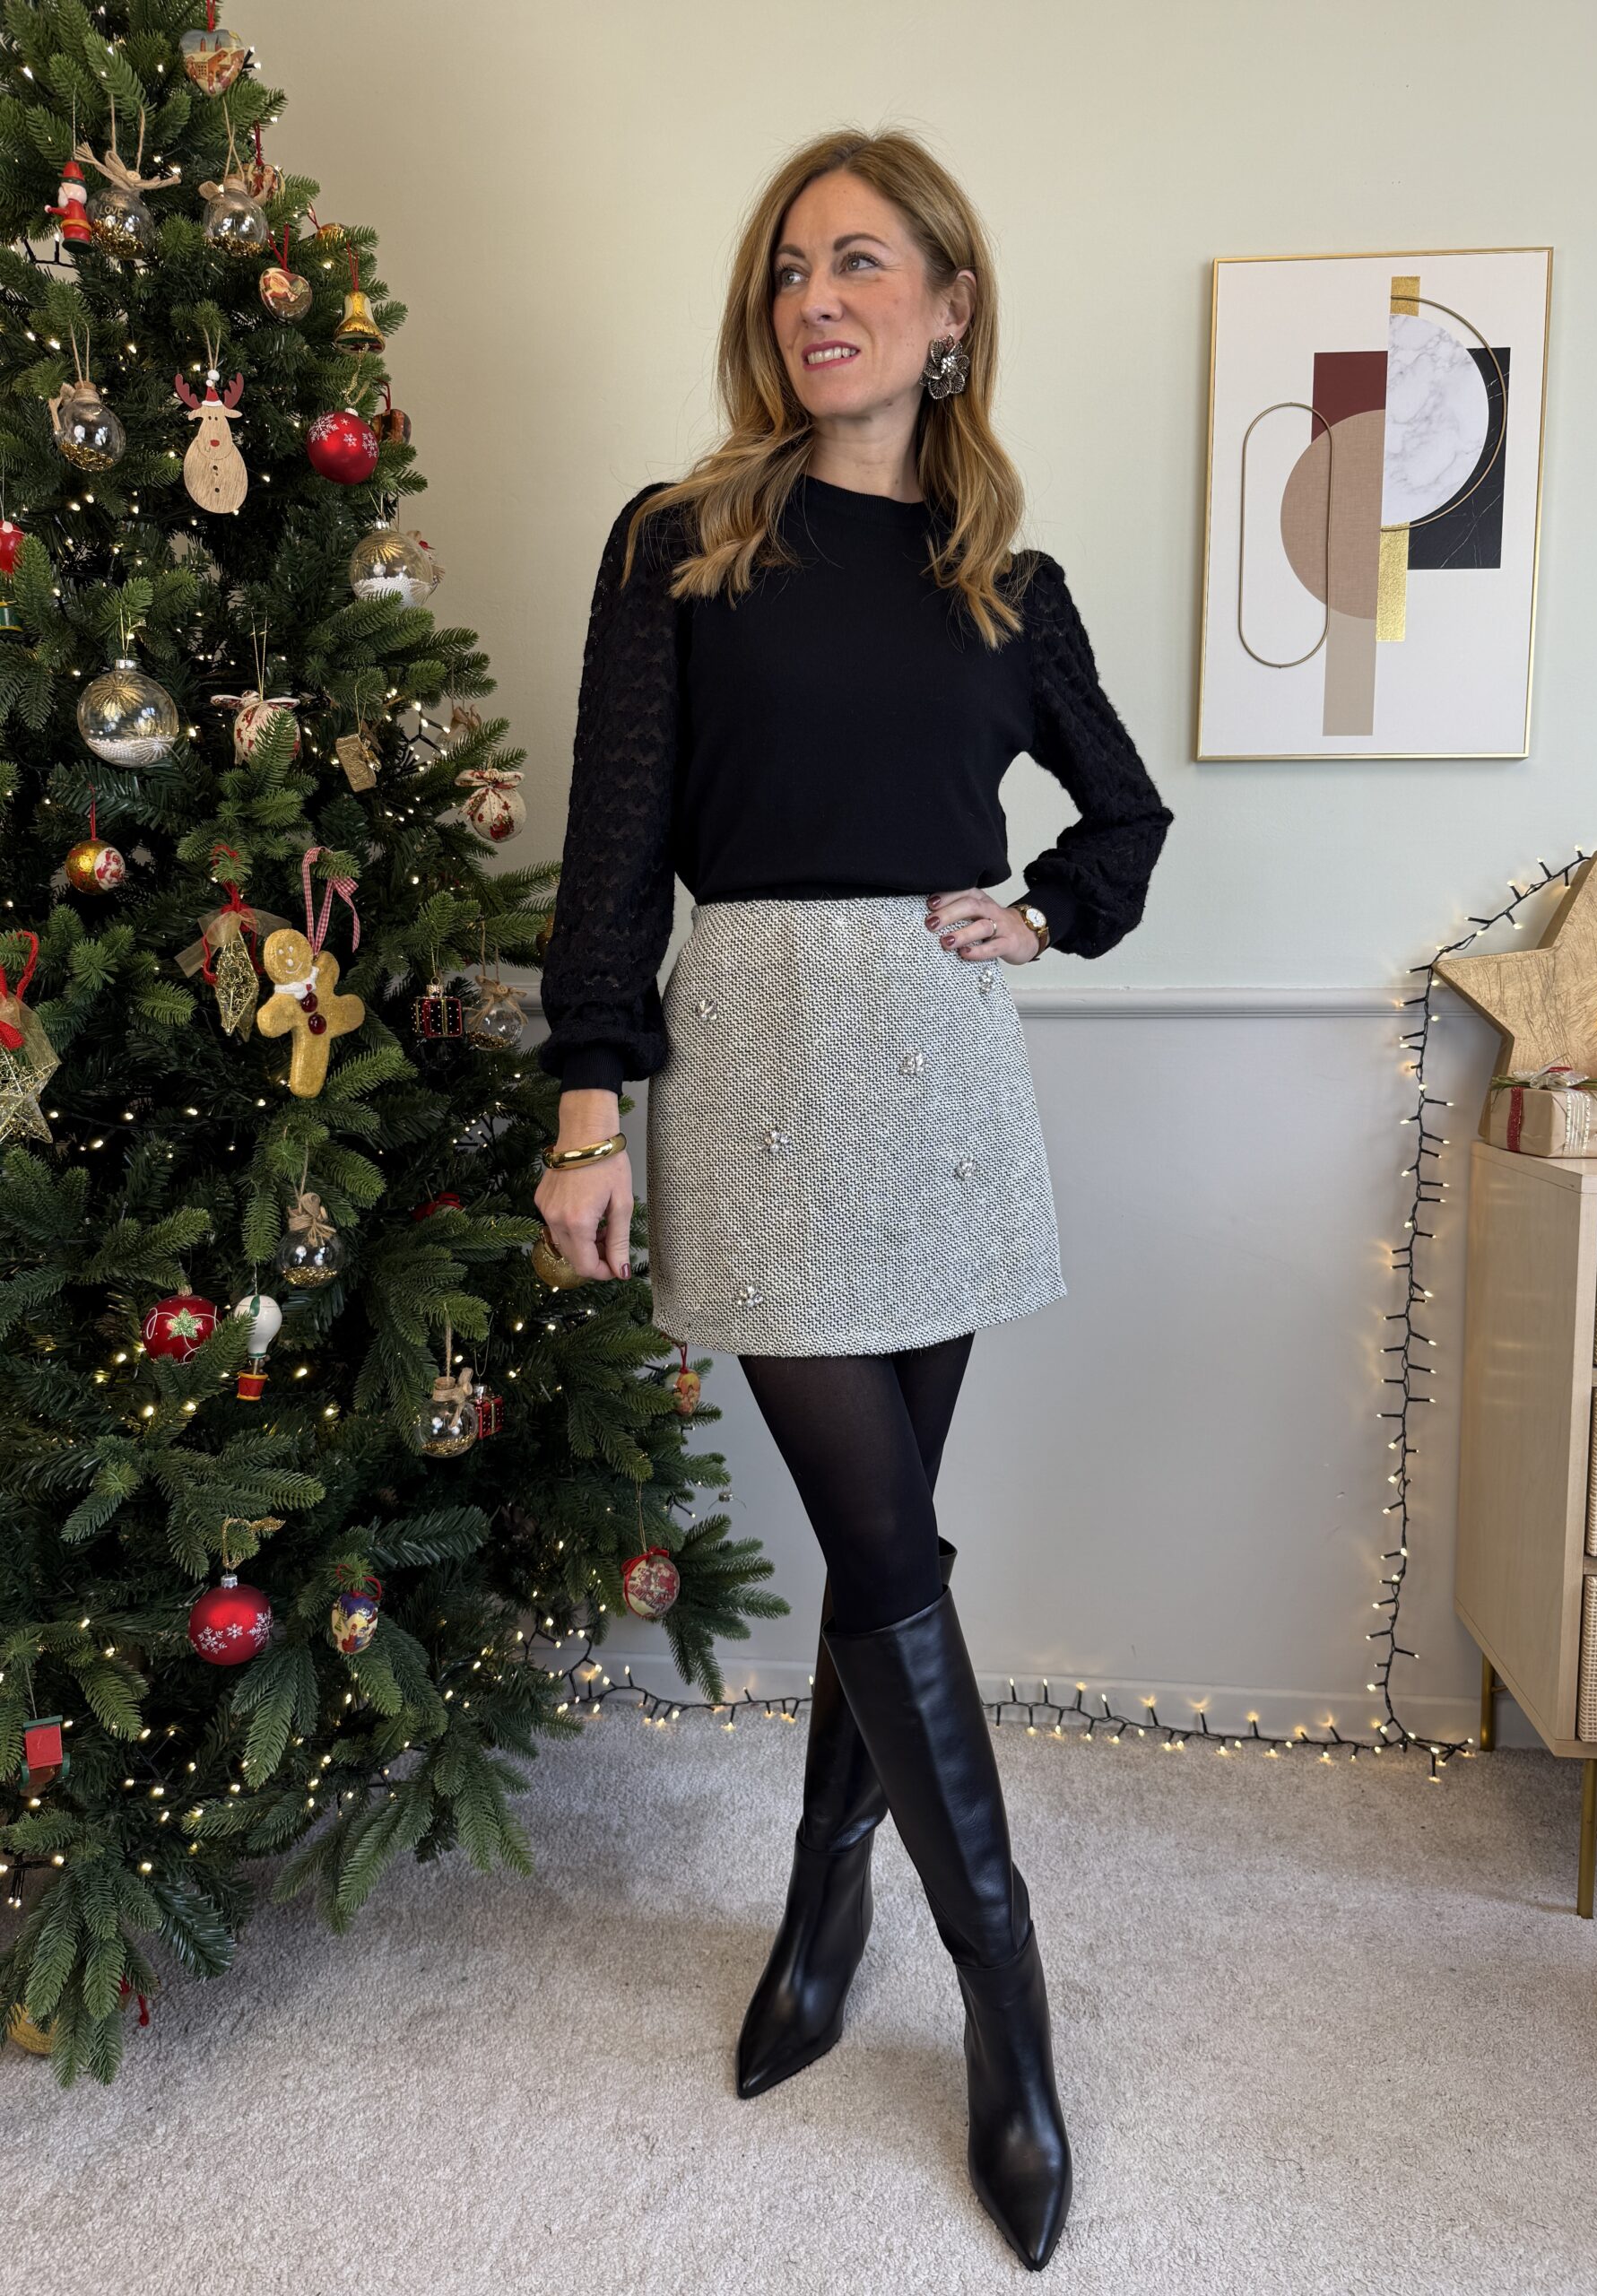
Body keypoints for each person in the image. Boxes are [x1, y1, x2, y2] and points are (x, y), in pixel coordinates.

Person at [534, 124, 1172, 2274]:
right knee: (885, 1536)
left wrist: (1047, 910)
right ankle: (1008, 1993)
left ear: (950, 308)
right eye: (794, 267)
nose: (819, 297)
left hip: (940, 1067)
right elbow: (612, 846)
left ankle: (826, 1905)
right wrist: (589, 1107)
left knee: (882, 1542)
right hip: (759, 1061)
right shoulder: (684, 542)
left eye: (865, 263)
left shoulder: (1007, 585)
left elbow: (1126, 818)